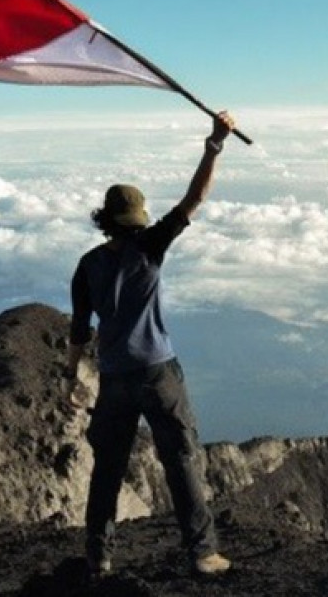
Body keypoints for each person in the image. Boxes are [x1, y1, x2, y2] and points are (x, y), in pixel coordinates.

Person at [66, 111, 237, 577]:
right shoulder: (150, 247)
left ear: (106, 220)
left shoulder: (86, 266)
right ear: (137, 219)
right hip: (159, 372)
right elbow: (195, 198)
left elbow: (80, 332)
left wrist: (71, 382)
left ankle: (98, 554)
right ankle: (202, 553)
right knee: (180, 459)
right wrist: (214, 144)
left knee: (107, 468)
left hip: (115, 378)